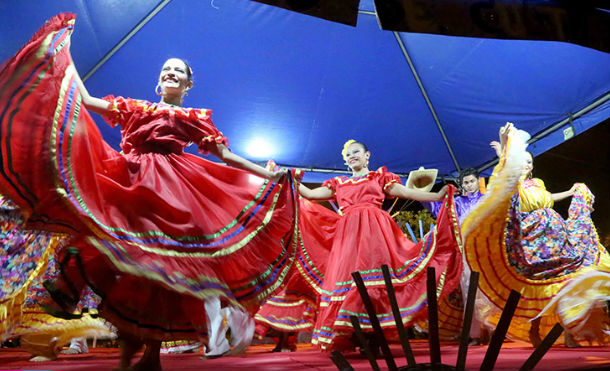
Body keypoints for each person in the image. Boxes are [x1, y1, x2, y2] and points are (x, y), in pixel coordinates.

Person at [0, 13, 299, 370]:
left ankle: (152, 355)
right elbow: (86, 100)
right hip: (130, 183)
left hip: (174, 192)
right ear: (159, 82)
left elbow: (225, 155)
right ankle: (130, 352)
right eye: (166, 70)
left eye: (178, 71)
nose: (170, 73)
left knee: (161, 275)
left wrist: (269, 176)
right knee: (125, 269)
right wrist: (64, 55)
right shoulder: (135, 108)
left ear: (188, 84)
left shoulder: (193, 118)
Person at [295, 139, 463, 351]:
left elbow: (407, 192)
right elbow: (310, 194)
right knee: (351, 281)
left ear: (368, 156)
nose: (351, 156)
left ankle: (374, 335)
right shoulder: (339, 183)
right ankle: (356, 334)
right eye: (348, 155)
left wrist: (437, 196)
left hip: (375, 235)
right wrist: (291, 179)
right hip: (348, 237)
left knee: (373, 280)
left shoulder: (380, 178)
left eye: (356, 152)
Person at [462, 122, 610, 347]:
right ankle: (534, 329)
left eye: (529, 162)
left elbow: (548, 198)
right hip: (532, 240)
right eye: (522, 161)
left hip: (557, 238)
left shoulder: (537, 183)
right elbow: (505, 173)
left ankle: (569, 332)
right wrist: (504, 147)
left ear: (531, 167)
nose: (525, 164)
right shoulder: (515, 185)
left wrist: (571, 192)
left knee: (563, 282)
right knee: (536, 284)